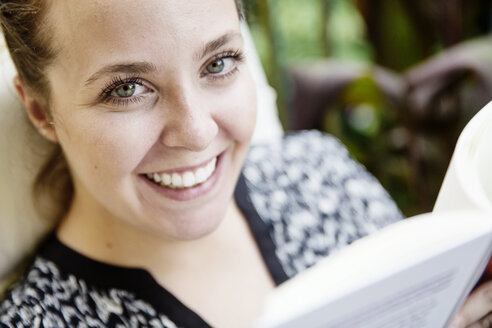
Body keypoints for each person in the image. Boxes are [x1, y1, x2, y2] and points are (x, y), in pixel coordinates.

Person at [0, 0, 489, 327]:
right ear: (41, 109)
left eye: (218, 63)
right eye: (127, 89)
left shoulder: (319, 176)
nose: (197, 132)